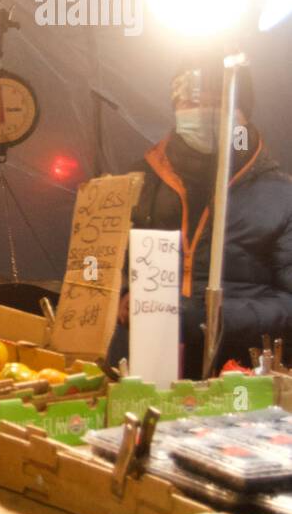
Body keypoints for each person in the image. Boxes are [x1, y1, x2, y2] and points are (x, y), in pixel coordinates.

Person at [108, 60, 292, 377]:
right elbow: (100, 266)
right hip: (143, 371)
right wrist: (121, 295)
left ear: (243, 113)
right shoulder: (135, 181)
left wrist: (210, 318)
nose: (204, 112)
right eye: (192, 102)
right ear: (176, 108)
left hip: (240, 376)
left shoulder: (282, 196)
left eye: (218, 102)